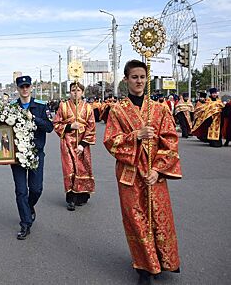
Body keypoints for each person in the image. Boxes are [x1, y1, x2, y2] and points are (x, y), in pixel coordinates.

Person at [103, 60, 182, 284]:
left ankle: (163, 260)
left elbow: (170, 142)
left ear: (147, 80)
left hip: (154, 174)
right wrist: (135, 135)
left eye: (142, 77)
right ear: (126, 79)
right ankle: (145, 267)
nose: (138, 81)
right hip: (129, 174)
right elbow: (110, 141)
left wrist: (157, 169)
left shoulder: (160, 109)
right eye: (134, 77)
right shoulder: (117, 111)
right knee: (136, 219)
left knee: (159, 216)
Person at [9, 76, 54, 240]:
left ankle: (29, 207)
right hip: (17, 155)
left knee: (36, 189)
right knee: (21, 191)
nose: (25, 89)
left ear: (31, 88)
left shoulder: (41, 106)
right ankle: (25, 223)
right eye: (22, 87)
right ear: (18, 89)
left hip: (35, 152)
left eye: (27, 86)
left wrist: (33, 118)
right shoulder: (12, 107)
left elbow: (50, 127)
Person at [53, 81, 96, 211]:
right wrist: (70, 126)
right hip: (67, 142)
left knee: (82, 168)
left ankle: (82, 195)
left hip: (82, 143)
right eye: (73, 90)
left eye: (78, 90)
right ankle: (70, 198)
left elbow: (91, 127)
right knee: (69, 169)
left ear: (82, 92)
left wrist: (83, 145)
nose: (75, 93)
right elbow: (56, 124)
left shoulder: (88, 108)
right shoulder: (63, 106)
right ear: (70, 92)